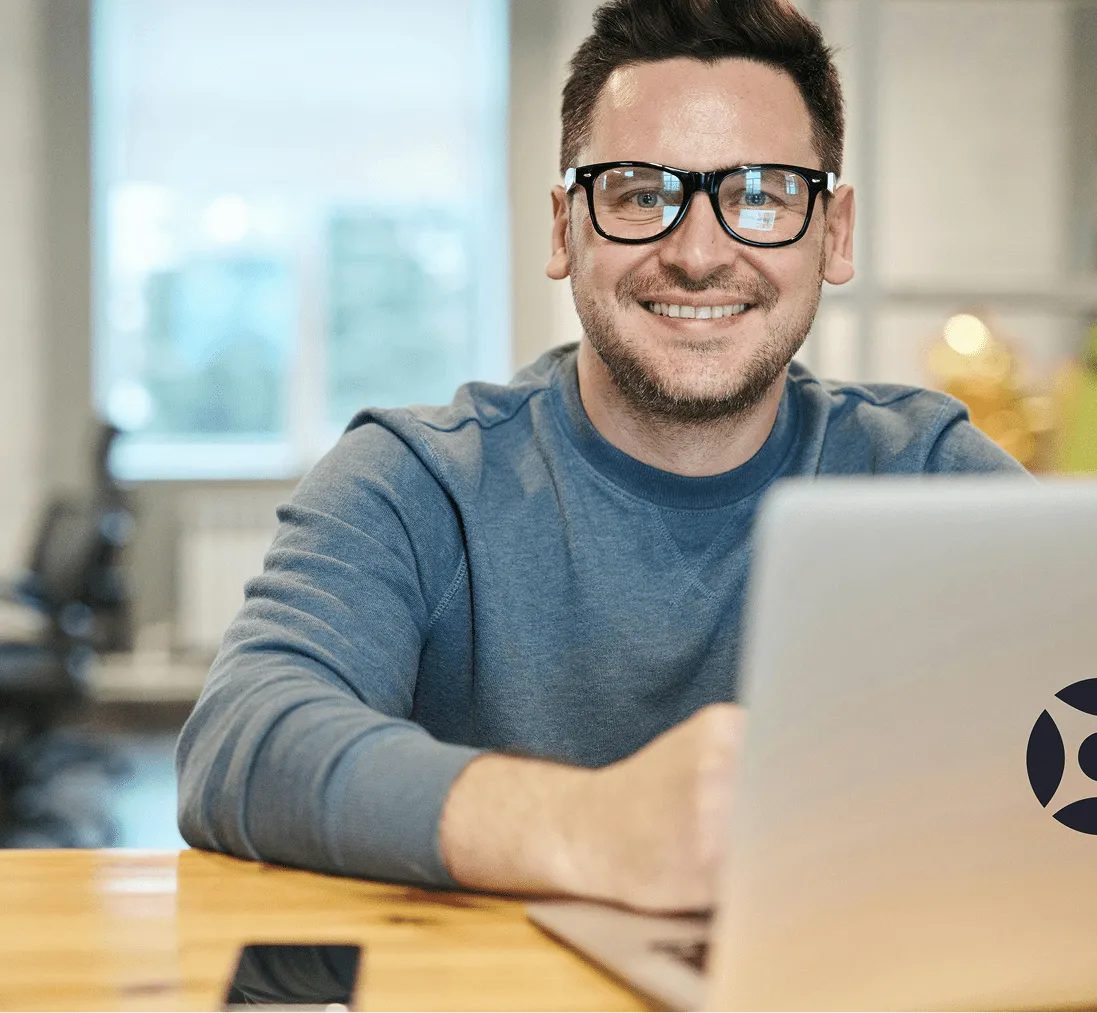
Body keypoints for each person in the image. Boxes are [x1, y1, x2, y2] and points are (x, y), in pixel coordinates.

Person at [176, 0, 1025, 914]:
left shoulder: (930, 477)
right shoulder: (418, 481)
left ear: (836, 232)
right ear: (563, 227)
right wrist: (590, 826)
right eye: (639, 193)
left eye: (762, 195)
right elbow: (244, 740)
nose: (700, 254)